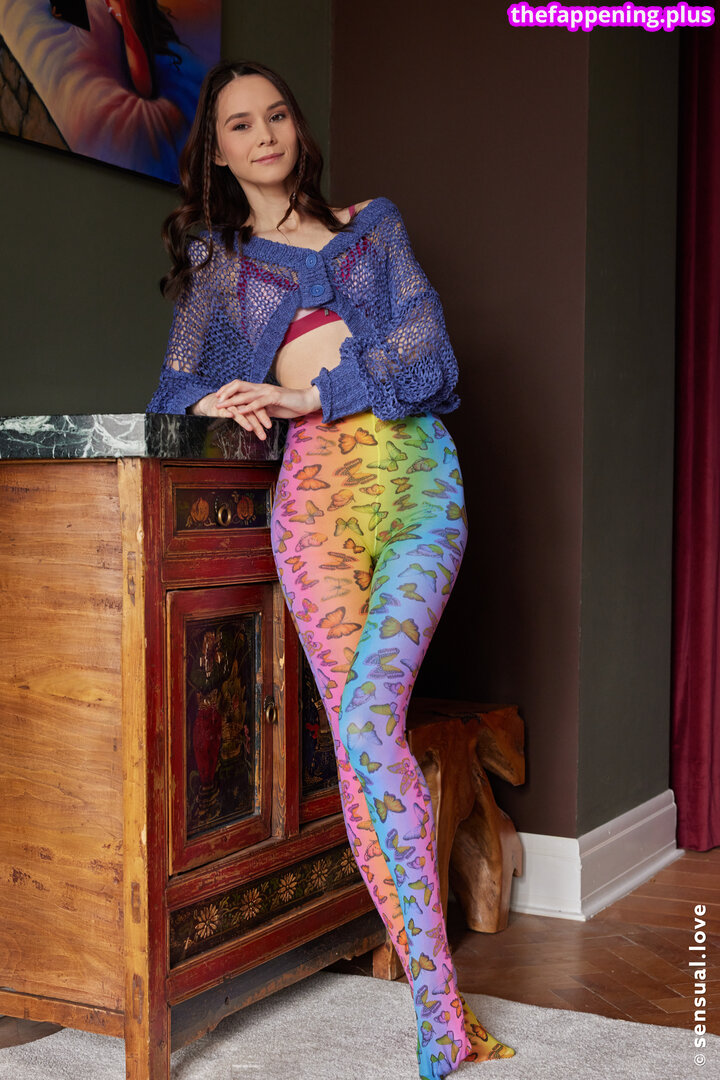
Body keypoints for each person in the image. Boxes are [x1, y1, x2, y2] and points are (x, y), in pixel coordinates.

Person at [146, 58, 515, 1080]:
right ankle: (442, 1016)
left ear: (297, 129)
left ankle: (439, 1009)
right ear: (219, 152)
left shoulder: (371, 228)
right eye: (240, 124)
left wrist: (313, 392)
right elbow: (170, 391)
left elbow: (431, 364)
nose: (263, 134)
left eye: (276, 115)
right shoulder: (223, 267)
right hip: (312, 506)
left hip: (417, 484)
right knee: (363, 744)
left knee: (365, 719)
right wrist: (219, 396)